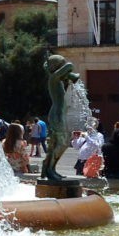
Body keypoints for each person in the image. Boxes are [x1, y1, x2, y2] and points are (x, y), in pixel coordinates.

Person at [41, 54, 80, 182]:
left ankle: (49, 169)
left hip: (59, 115)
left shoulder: (57, 79)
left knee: (58, 144)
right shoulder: (53, 79)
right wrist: (67, 71)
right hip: (56, 115)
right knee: (61, 143)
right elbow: (70, 65)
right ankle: (50, 169)